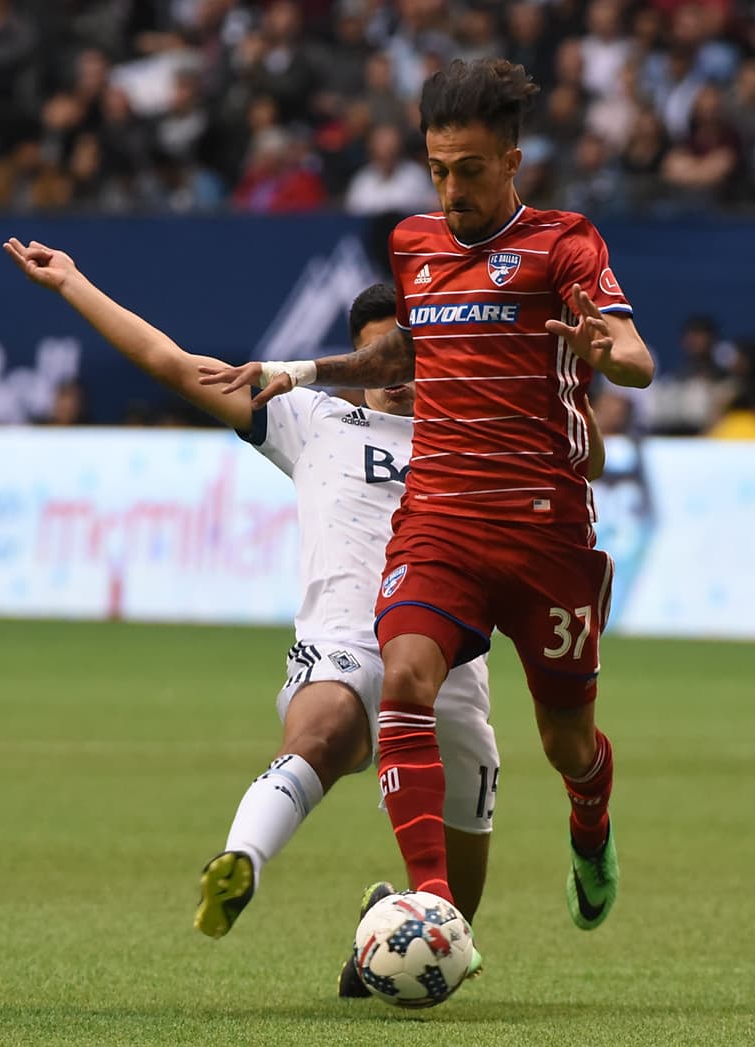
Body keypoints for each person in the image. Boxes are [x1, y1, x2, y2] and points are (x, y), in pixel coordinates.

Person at [2, 239, 604, 993]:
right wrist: (73, 284)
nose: (396, 375)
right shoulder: (310, 417)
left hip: (451, 661)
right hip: (346, 642)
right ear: (355, 362)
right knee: (324, 733)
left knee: (452, 920)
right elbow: (170, 363)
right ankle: (241, 861)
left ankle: (377, 939)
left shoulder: (479, 435)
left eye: (408, 356)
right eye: (377, 359)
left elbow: (583, 460)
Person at [200, 58, 653, 948]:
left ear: (512, 160)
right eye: (437, 169)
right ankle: (431, 906)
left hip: (542, 528)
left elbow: (634, 352)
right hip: (439, 517)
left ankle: (591, 821)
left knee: (567, 742)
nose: (451, 190)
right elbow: (407, 356)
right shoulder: (413, 244)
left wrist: (610, 350)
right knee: (403, 679)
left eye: (470, 170)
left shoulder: (565, 245)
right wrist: (302, 370)